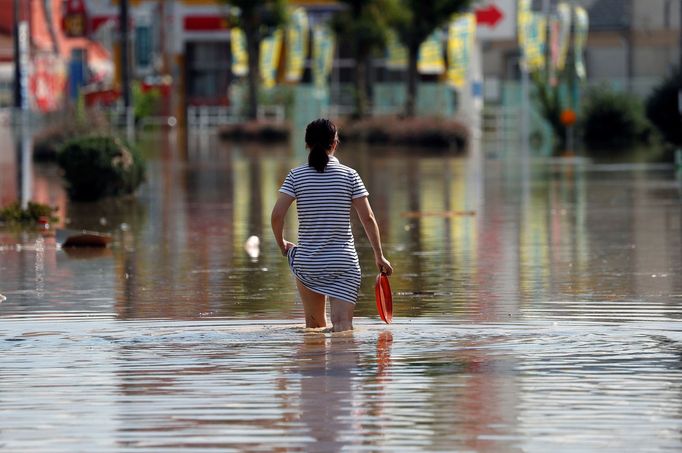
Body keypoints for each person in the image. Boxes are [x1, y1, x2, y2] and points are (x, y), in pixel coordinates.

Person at [271, 118, 393, 332]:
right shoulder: (350, 175)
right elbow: (368, 218)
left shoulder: (296, 176)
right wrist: (379, 255)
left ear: (307, 144)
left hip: (309, 263)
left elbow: (277, 216)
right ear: (335, 143)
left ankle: (315, 363)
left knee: (314, 328)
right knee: (343, 327)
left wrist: (282, 245)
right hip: (343, 264)